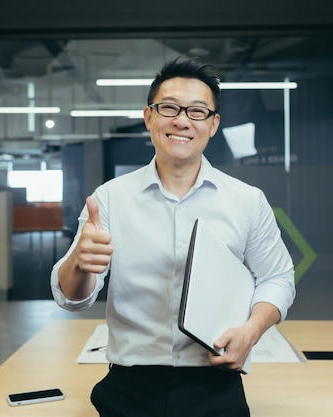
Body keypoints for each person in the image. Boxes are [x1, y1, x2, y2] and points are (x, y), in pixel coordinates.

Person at [51, 58, 295, 417]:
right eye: (169, 108)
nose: (182, 120)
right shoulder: (110, 199)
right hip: (128, 388)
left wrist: (252, 330)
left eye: (197, 112)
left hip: (216, 383)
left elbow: (278, 278)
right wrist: (80, 264)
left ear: (213, 125)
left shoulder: (246, 200)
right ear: (149, 117)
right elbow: (72, 299)